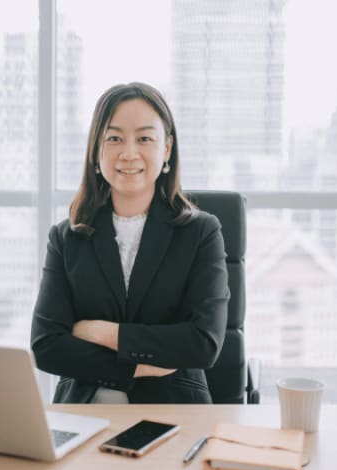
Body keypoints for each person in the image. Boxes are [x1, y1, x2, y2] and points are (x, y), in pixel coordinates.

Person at [31, 82, 229, 404]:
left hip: (174, 411)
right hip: (85, 410)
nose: (129, 152)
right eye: (114, 138)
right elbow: (47, 346)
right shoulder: (66, 238)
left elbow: (202, 343)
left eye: (144, 138)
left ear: (166, 149)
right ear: (97, 150)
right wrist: (138, 366)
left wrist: (97, 332)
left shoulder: (201, 233)